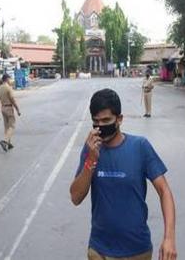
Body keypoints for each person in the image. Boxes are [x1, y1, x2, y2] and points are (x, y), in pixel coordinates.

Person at [70, 89, 177, 260]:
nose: (101, 126)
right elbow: (76, 197)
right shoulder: (90, 148)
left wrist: (169, 238)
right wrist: (91, 159)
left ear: (119, 119)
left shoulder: (140, 147)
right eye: (96, 122)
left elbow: (164, 191)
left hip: (137, 251)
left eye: (106, 120)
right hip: (99, 251)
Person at [0, 74, 21, 152]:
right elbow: (12, 100)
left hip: (3, 109)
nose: (10, 80)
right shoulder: (8, 88)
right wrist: (18, 110)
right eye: (10, 79)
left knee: (6, 127)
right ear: (7, 79)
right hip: (9, 108)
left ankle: (8, 144)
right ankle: (5, 141)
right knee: (12, 126)